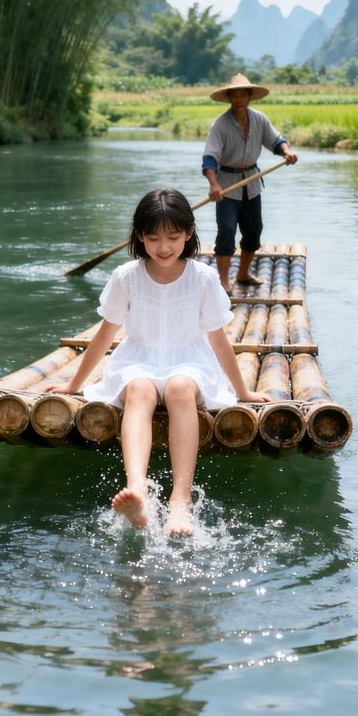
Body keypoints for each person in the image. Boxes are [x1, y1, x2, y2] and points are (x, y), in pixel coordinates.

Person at [45, 189, 270, 536]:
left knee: (180, 389)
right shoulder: (126, 277)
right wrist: (73, 386)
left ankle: (180, 502)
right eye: (153, 238)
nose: (163, 246)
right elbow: (105, 335)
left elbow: (218, 340)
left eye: (173, 237)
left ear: (189, 234)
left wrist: (243, 392)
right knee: (138, 390)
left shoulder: (203, 278)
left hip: (190, 362)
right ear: (139, 237)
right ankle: (138, 491)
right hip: (139, 360)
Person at [202, 72, 298, 291]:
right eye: (234, 96)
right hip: (227, 187)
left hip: (252, 184)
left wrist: (287, 152)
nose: (238, 100)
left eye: (242, 96)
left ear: (249, 97)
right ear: (229, 98)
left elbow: (276, 141)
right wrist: (214, 185)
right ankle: (223, 281)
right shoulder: (220, 125)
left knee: (254, 230)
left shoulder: (259, 119)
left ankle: (243, 274)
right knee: (226, 230)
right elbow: (209, 158)